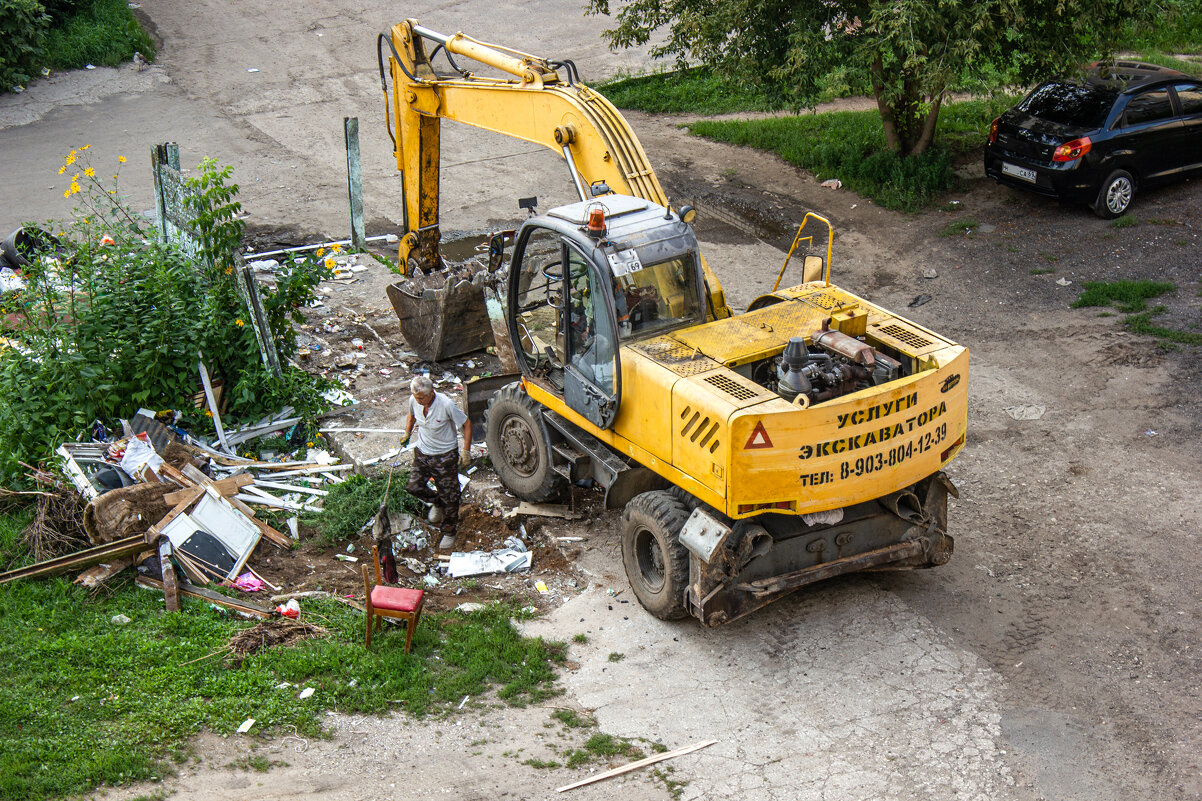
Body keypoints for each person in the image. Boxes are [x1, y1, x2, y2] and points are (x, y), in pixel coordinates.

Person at [401, 375, 472, 551]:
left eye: (422, 398)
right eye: (417, 398)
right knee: (413, 486)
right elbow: (411, 416)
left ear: (431, 392)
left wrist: (466, 450)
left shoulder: (446, 405)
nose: (419, 401)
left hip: (444, 456)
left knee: (451, 495)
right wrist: (407, 433)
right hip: (423, 452)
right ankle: (436, 502)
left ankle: (449, 531)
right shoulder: (414, 400)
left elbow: (467, 423)